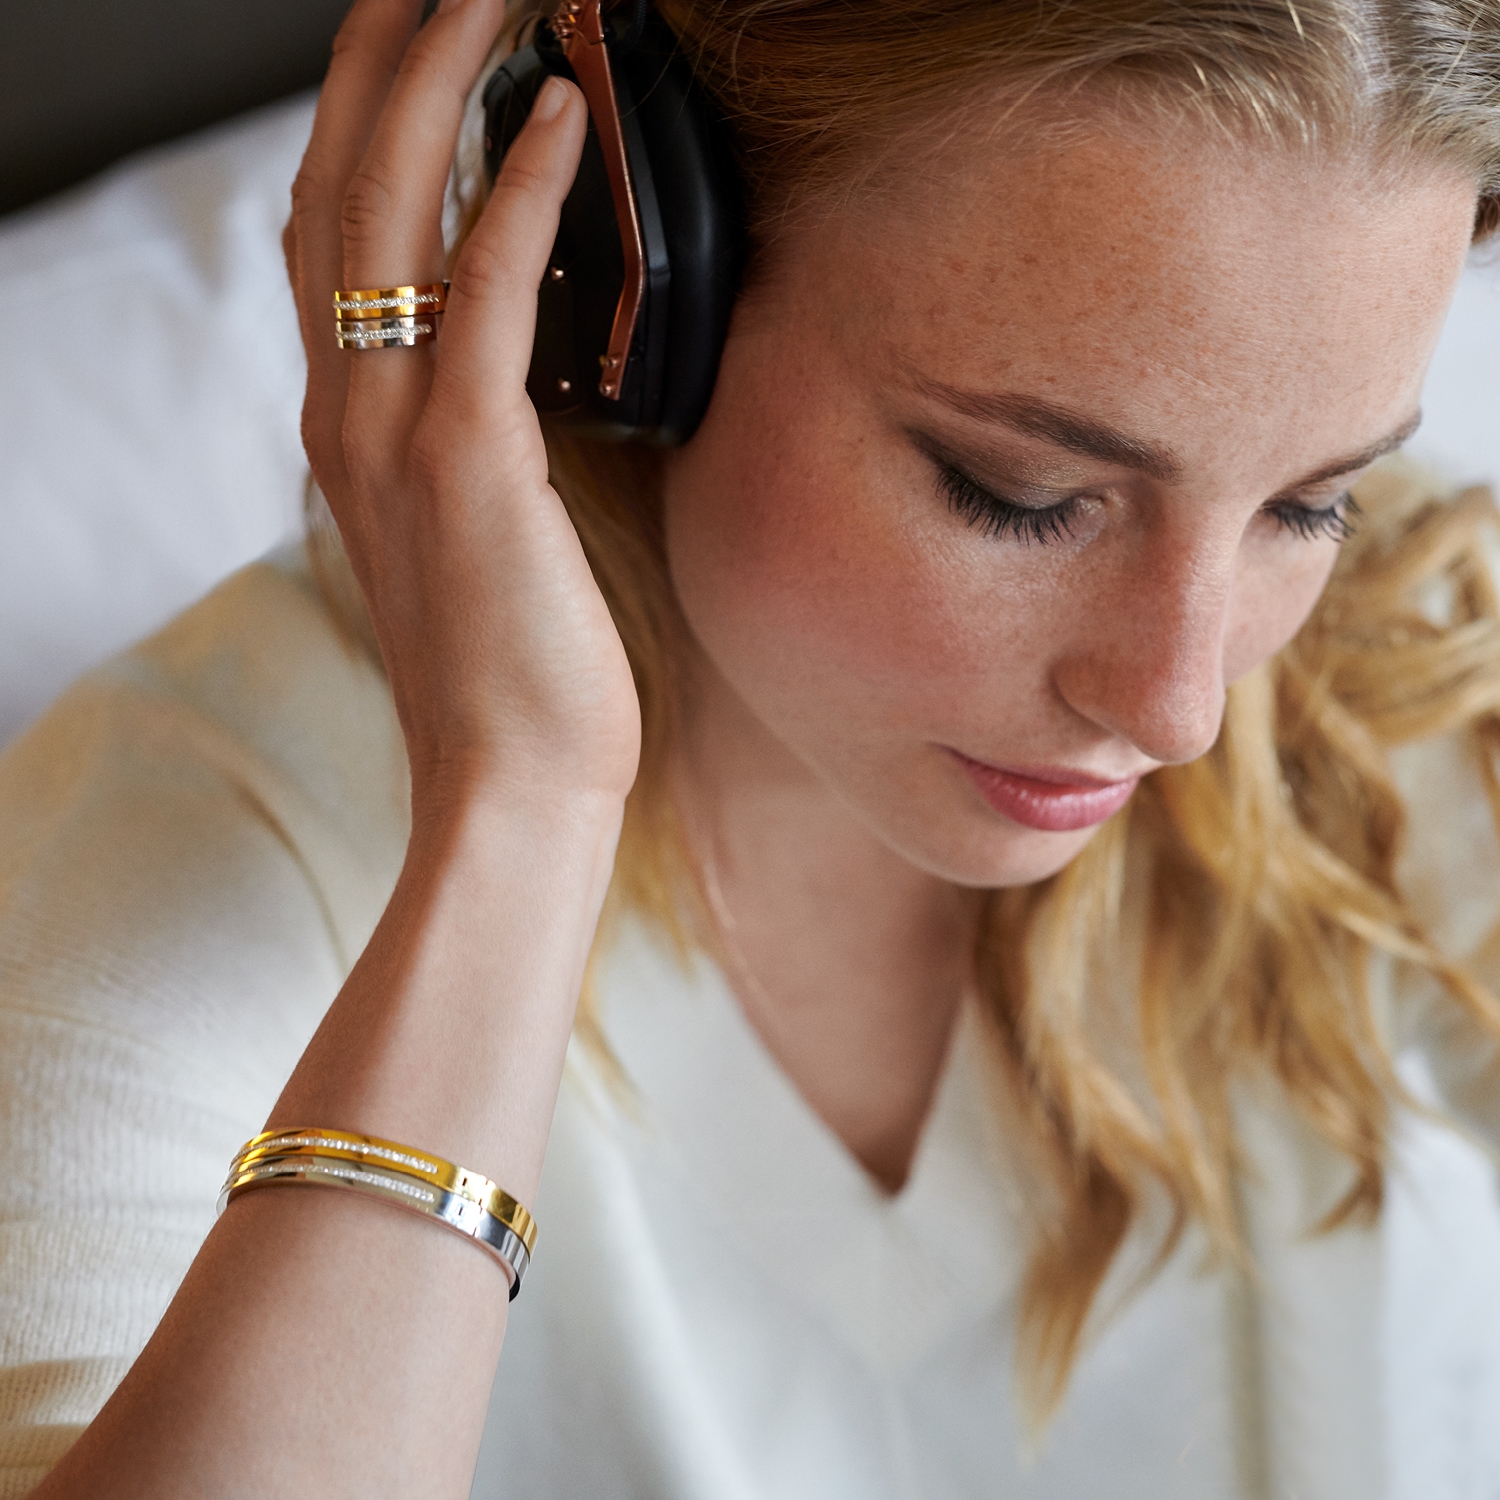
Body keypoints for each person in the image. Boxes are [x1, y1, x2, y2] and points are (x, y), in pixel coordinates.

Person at [2, 0, 1500, 1494]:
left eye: (1309, 504)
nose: (1178, 709)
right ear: (627, 287)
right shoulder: (195, 821)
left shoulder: (1414, 667)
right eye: (1019, 492)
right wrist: (517, 811)